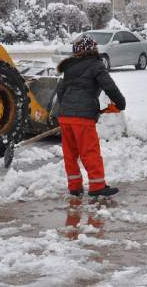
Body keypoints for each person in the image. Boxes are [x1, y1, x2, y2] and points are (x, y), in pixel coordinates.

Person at [56, 34, 126, 197]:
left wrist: (67, 108)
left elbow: (60, 91)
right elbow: (109, 86)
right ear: (92, 50)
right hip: (82, 118)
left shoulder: (69, 68)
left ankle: (74, 186)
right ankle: (97, 186)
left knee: (70, 154)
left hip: (65, 117)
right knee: (89, 151)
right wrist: (120, 103)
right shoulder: (96, 65)